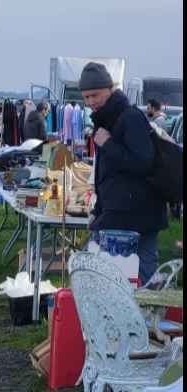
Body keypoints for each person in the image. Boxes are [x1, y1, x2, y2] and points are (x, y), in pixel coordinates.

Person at [80, 62, 168, 285]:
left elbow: (144, 162)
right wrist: (98, 209)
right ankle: (145, 317)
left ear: (110, 89)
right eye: (86, 97)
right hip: (131, 213)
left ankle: (141, 316)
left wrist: (108, 144)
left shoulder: (129, 118)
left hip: (131, 216)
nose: (90, 102)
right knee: (143, 282)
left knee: (89, 271)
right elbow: (107, 175)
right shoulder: (110, 119)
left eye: (95, 95)